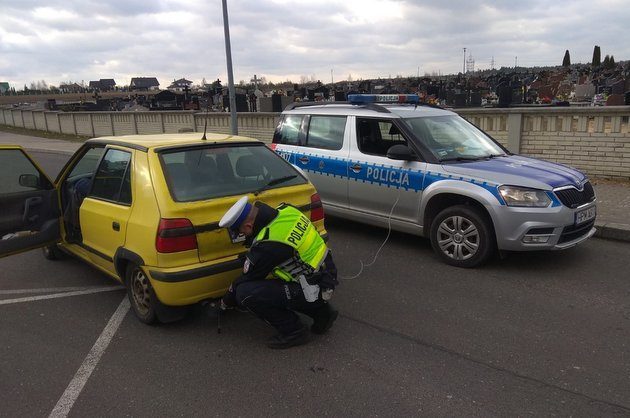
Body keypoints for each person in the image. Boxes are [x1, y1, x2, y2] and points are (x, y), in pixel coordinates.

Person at [218, 196, 339, 349]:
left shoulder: (269, 244)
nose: (244, 235)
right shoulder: (287, 210)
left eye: (241, 231)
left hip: (313, 287)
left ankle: (295, 331)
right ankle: (322, 313)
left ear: (248, 226)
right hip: (325, 275)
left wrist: (226, 302)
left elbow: (247, 278)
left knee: (245, 293)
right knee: (288, 285)